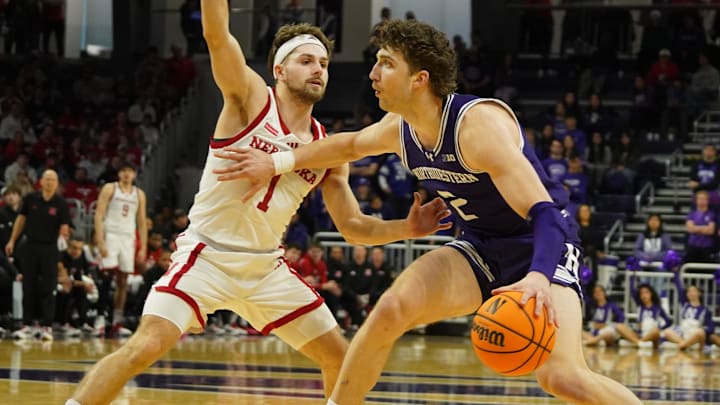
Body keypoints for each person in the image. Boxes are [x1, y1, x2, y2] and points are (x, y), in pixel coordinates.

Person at [213, 19, 642, 405]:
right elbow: (345, 145)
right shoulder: (400, 129)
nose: (372, 74)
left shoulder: (478, 128)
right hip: (481, 245)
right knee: (389, 312)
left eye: (385, 63)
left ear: (419, 79)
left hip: (542, 247)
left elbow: (546, 213)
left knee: (561, 377)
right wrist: (277, 162)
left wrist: (537, 277)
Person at [65, 5, 448, 405]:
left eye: (323, 62)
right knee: (144, 346)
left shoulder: (327, 147)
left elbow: (352, 225)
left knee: (343, 359)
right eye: (306, 61)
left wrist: (406, 228)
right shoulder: (249, 99)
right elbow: (217, 35)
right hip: (207, 256)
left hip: (266, 268)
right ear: (279, 70)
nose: (318, 69)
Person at [6, 170, 70, 341]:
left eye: (53, 180)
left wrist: (65, 233)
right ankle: (27, 325)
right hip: (31, 246)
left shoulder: (61, 204)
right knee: (28, 286)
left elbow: (65, 227)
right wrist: (12, 240)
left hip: (50, 248)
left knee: (48, 287)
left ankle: (46, 326)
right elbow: (21, 220)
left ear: (57, 184)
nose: (49, 182)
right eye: (47, 179)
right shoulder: (31, 199)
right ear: (40, 181)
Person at [94, 162, 148, 338]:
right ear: (119, 174)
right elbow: (99, 214)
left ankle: (117, 320)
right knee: (106, 276)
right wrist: (100, 239)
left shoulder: (139, 194)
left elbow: (141, 222)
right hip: (111, 234)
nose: (126, 174)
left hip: (127, 237)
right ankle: (100, 318)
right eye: (124, 170)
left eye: (130, 171)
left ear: (134, 175)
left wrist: (143, 247)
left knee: (122, 280)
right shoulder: (110, 188)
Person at [660, 270, 714, 351]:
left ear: (699, 293)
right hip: (682, 334)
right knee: (667, 331)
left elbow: (711, 327)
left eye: (693, 291)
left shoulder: (705, 310)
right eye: (689, 291)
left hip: (695, 335)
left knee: (700, 332)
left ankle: (683, 345)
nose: (691, 293)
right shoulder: (684, 304)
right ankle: (684, 344)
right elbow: (679, 287)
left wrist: (703, 329)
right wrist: (675, 272)